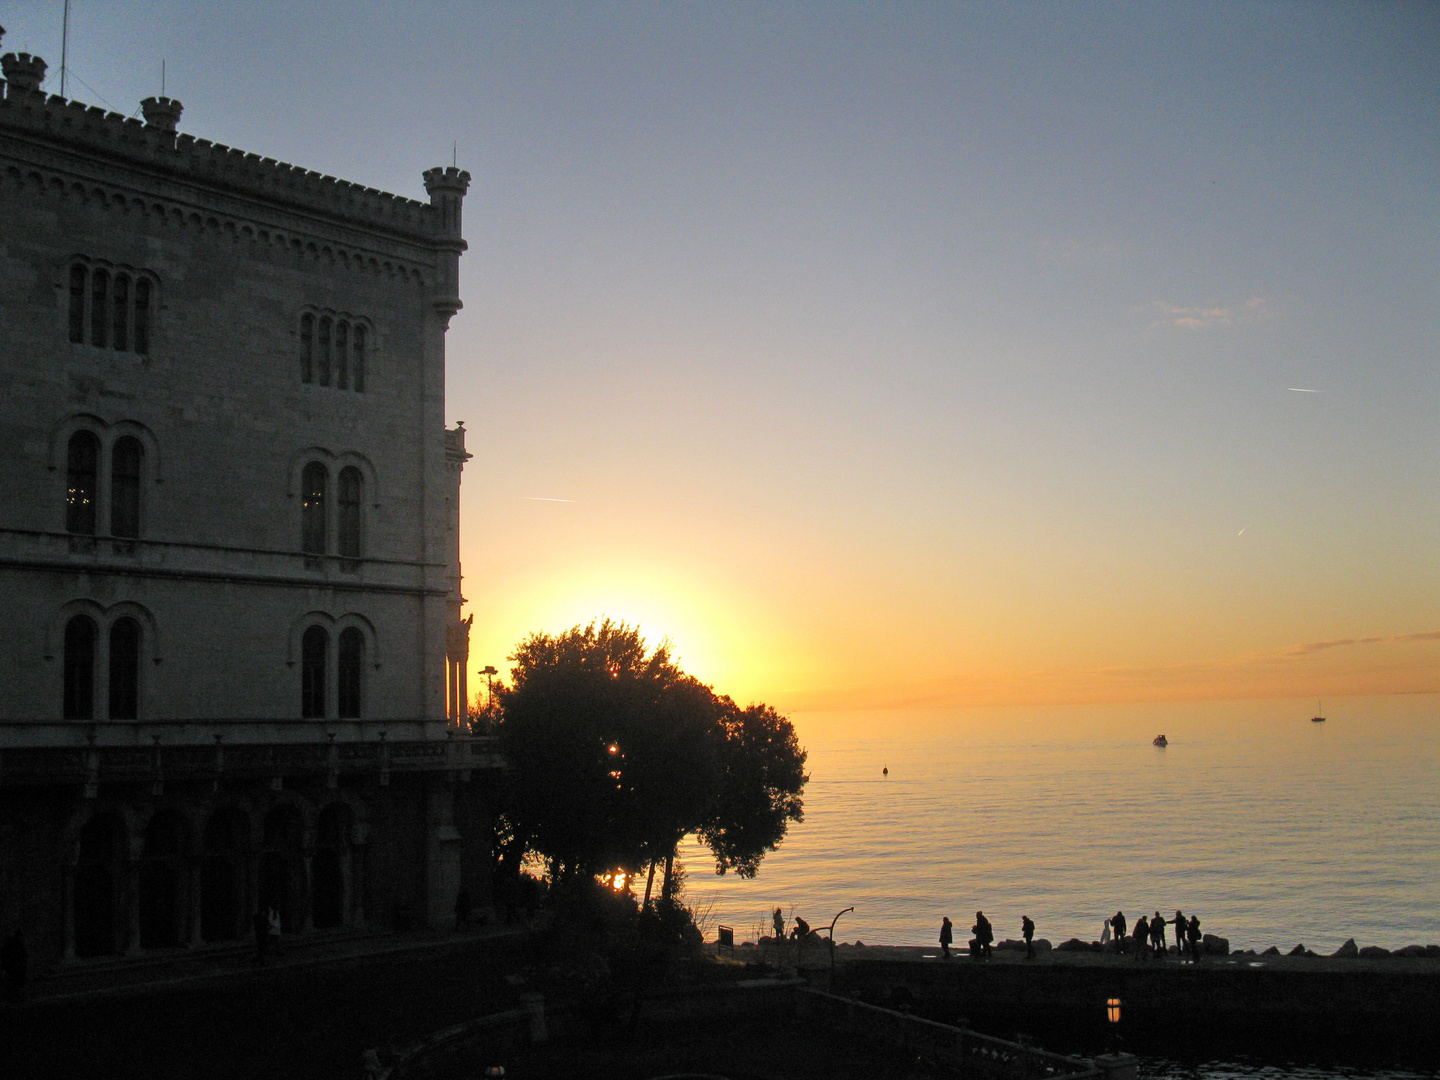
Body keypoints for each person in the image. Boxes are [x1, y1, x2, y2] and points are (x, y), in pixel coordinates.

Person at [1, 929, 27, 1000]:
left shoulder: (14, 944)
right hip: (13, 966)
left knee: (14, 982)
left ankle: (12, 995)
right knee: (13, 981)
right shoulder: (14, 945)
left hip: (14, 966)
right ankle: (11, 995)